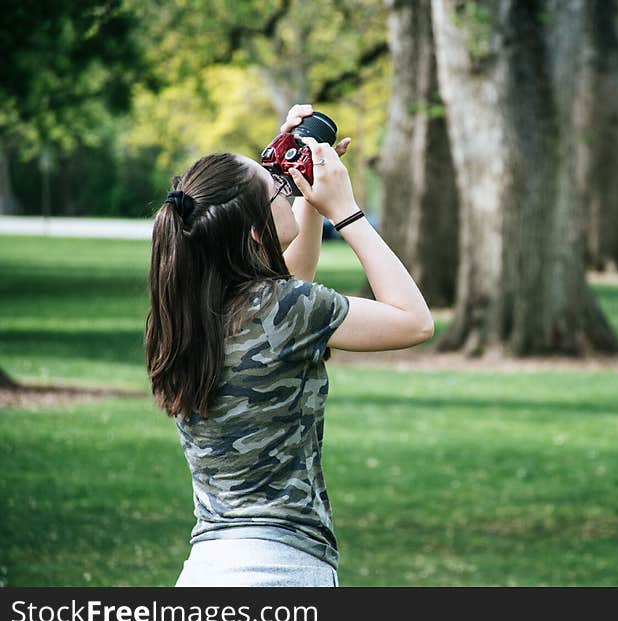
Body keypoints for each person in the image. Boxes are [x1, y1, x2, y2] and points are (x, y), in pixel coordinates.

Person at [145, 104, 434, 587]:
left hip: (207, 570)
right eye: (274, 187)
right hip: (282, 573)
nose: (283, 187)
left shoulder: (188, 313)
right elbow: (413, 321)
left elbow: (290, 281)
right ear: (257, 231)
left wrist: (300, 189)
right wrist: (347, 213)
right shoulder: (284, 309)